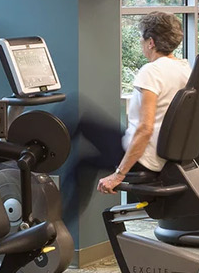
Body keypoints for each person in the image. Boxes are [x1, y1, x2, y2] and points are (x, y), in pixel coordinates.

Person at [81, 11, 192, 210]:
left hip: (144, 157)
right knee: (84, 130)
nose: (141, 43)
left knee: (79, 137)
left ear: (151, 42)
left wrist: (119, 175)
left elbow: (145, 129)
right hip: (164, 154)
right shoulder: (185, 68)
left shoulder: (151, 71)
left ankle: (56, 228)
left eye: (142, 38)